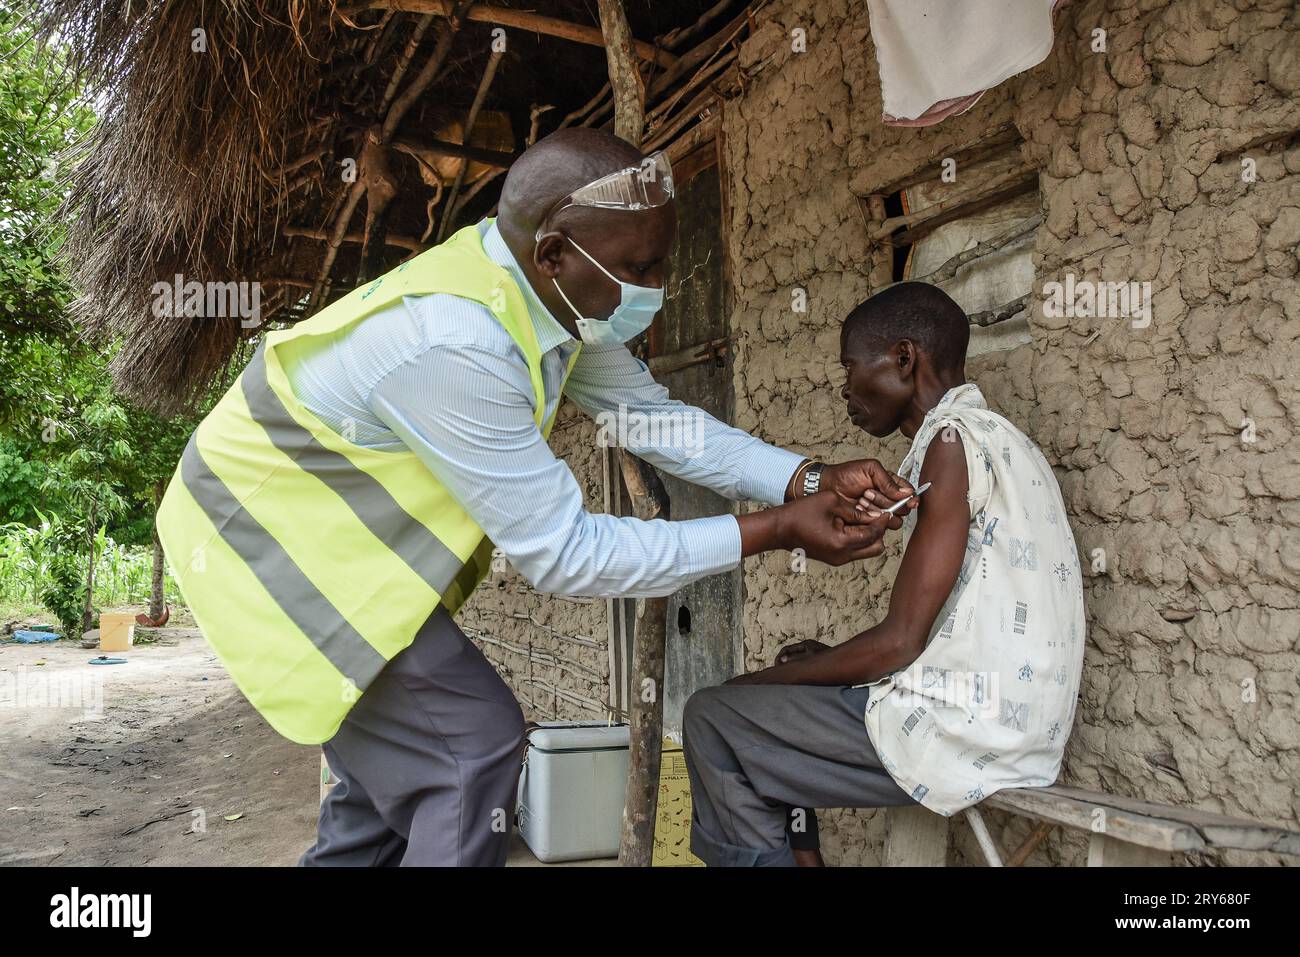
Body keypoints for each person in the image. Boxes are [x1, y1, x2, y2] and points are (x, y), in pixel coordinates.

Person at [156, 127, 916, 866]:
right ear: (554, 251)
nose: (655, 290)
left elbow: (648, 417)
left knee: (383, 802)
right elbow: (566, 553)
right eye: (639, 268)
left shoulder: (546, 299)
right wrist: (775, 529)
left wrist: (804, 479)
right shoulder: (458, 344)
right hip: (258, 540)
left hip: (332, 552)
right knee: (468, 752)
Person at [682, 282, 1086, 866]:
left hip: (968, 731)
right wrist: (819, 673)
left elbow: (900, 641)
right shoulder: (1001, 440)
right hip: (1013, 726)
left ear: (903, 358)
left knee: (715, 716)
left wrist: (756, 685)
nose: (844, 387)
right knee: (778, 705)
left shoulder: (952, 443)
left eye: (850, 367)